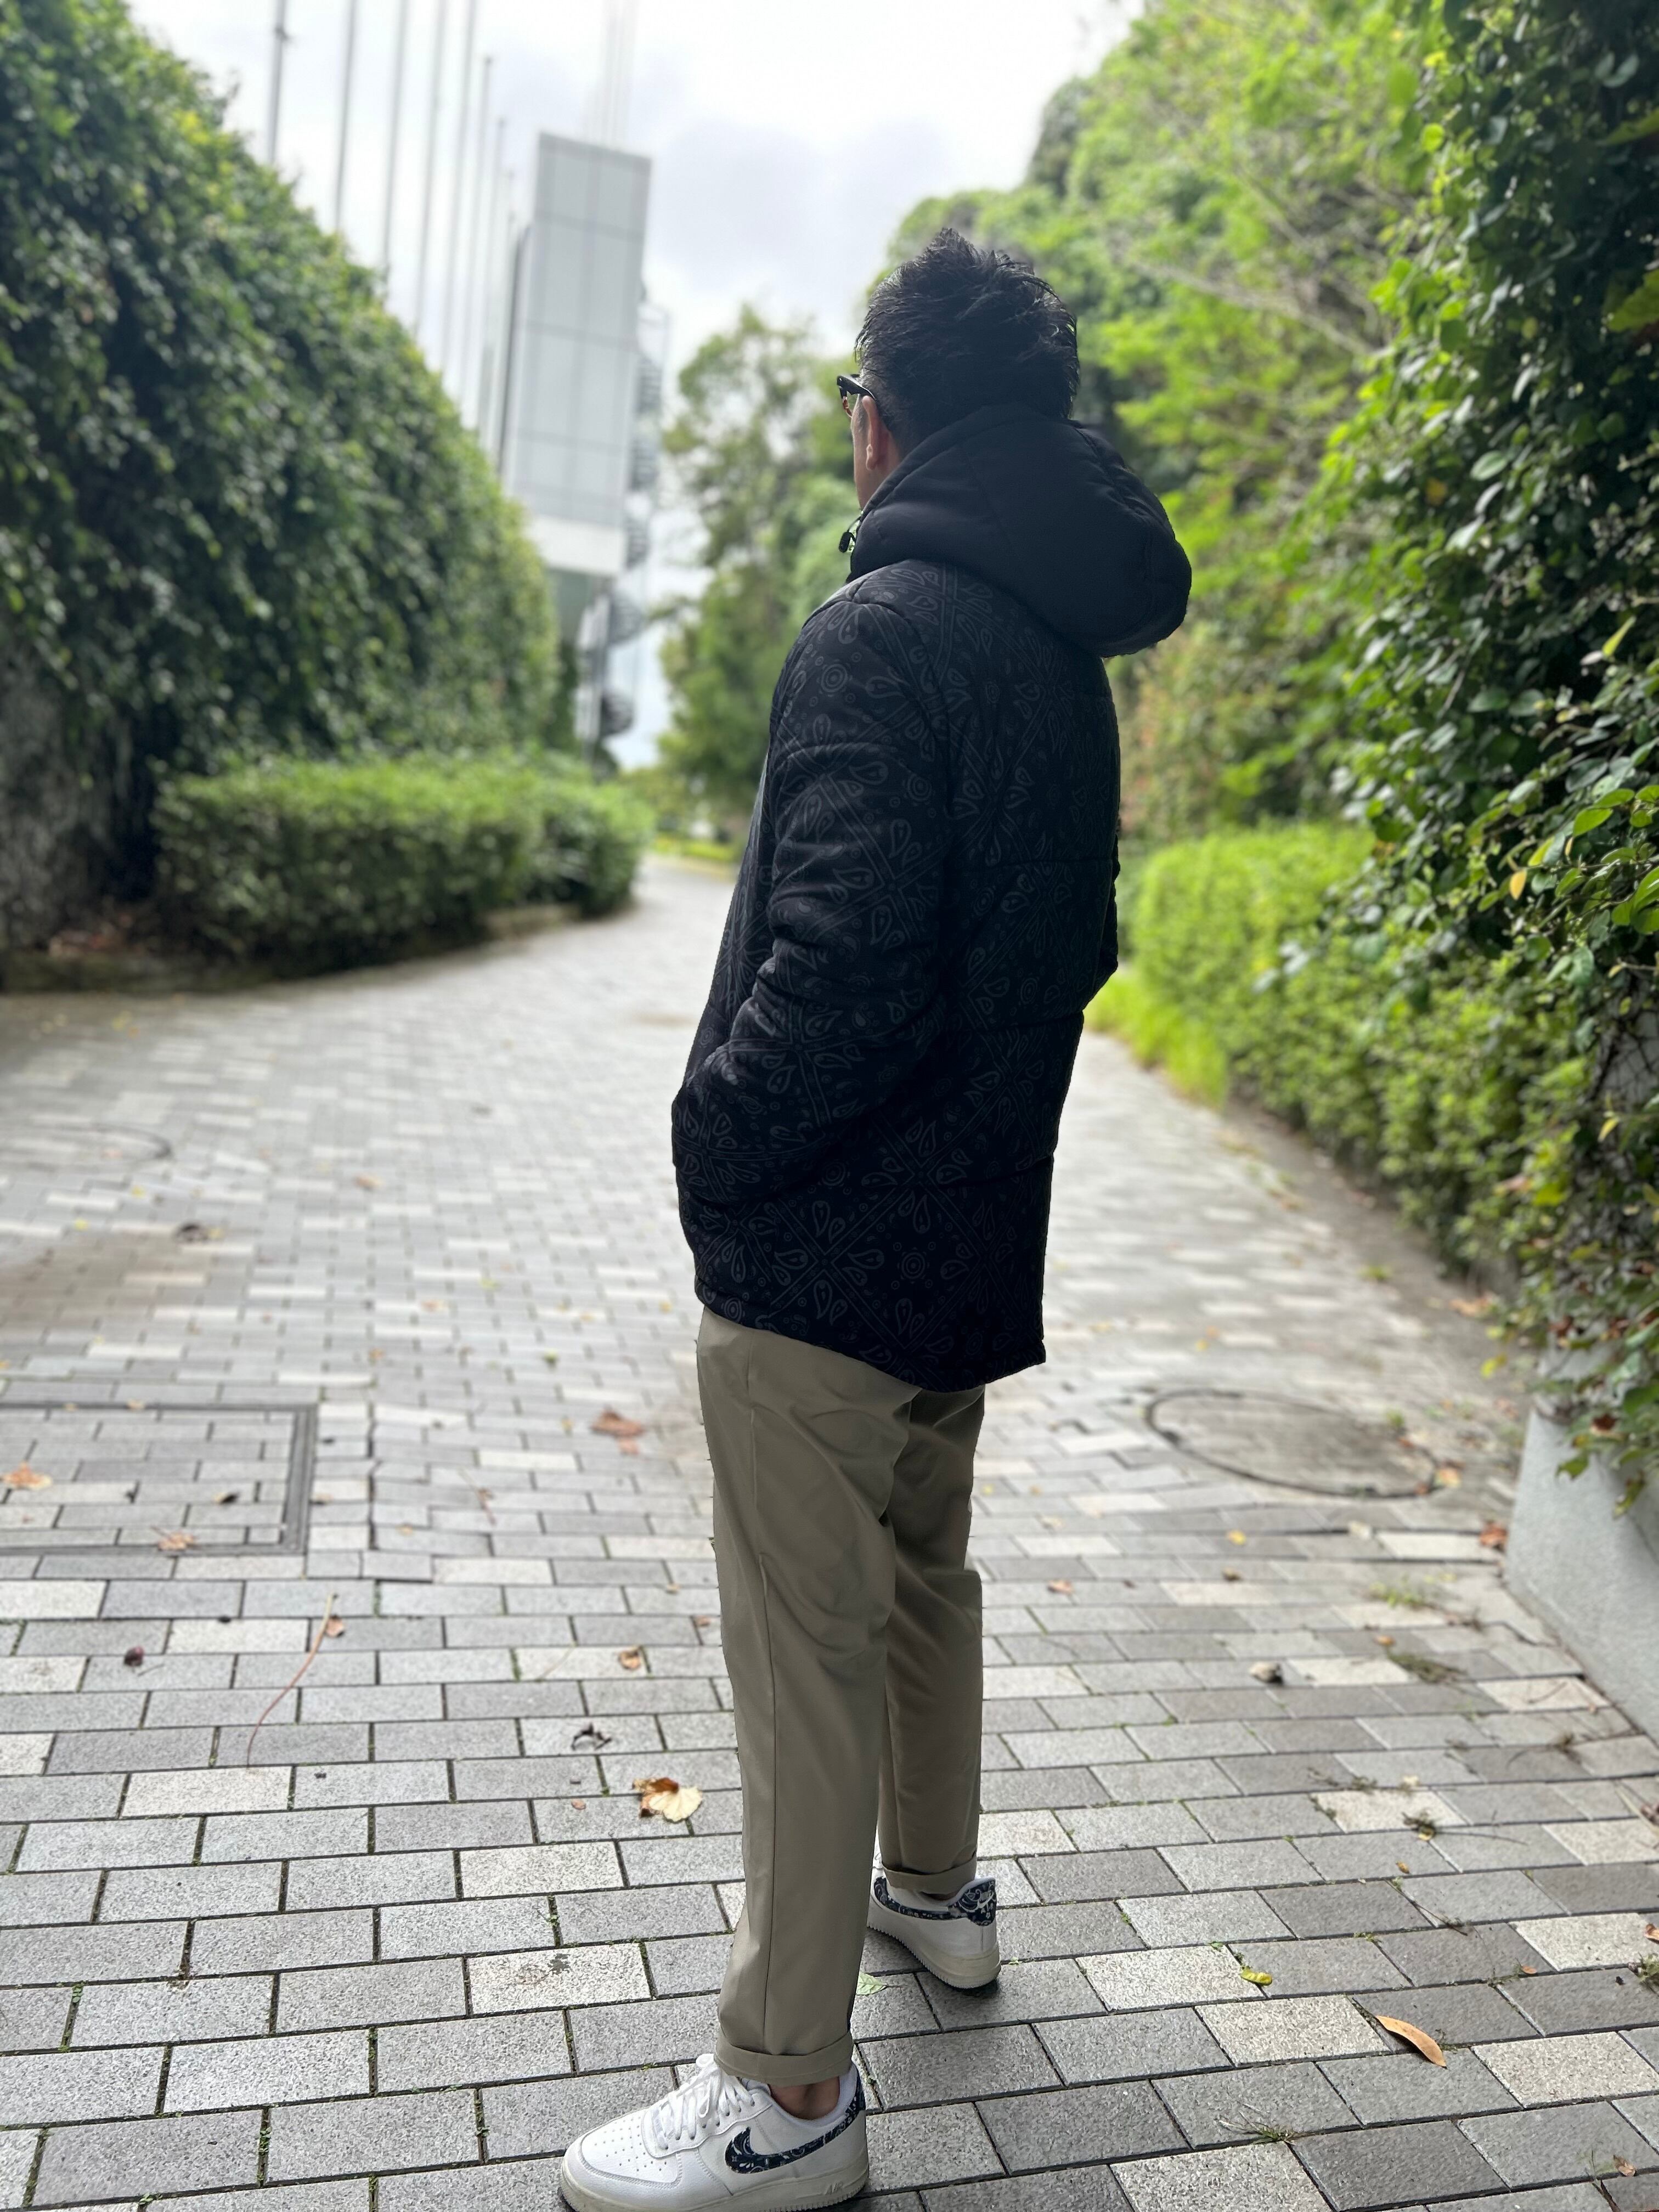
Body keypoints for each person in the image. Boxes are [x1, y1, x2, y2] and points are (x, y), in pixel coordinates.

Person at [558, 227, 1190, 2212]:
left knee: (806, 1657)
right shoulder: (1059, 662)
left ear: (882, 422)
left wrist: (714, 1143)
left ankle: (788, 2094)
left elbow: (832, 969)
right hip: (968, 1237)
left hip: (823, 1257)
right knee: (927, 1584)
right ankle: (937, 1893)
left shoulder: (879, 631)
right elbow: (1066, 948)